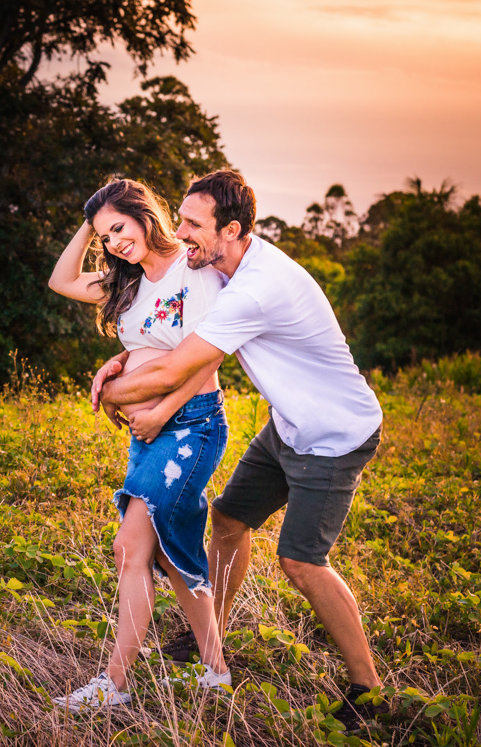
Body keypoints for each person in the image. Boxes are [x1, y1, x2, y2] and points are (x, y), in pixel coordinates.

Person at [91, 169, 386, 732]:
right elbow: (168, 340)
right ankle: (211, 642)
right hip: (289, 425)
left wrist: (105, 390)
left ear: (231, 230)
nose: (180, 234)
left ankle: (368, 690)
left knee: (301, 561)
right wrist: (123, 364)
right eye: (179, 219)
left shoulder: (254, 288)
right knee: (227, 519)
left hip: (334, 436)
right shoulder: (223, 266)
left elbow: (179, 365)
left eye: (193, 225)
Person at [46, 178, 232, 714]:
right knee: (171, 556)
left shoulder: (191, 270)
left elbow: (206, 357)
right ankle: (216, 671)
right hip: (147, 429)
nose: (113, 243)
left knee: (130, 545)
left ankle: (115, 683)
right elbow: (61, 280)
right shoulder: (125, 281)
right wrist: (91, 218)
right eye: (104, 236)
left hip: (190, 424)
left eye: (119, 228)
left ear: (144, 215)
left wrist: (158, 412)